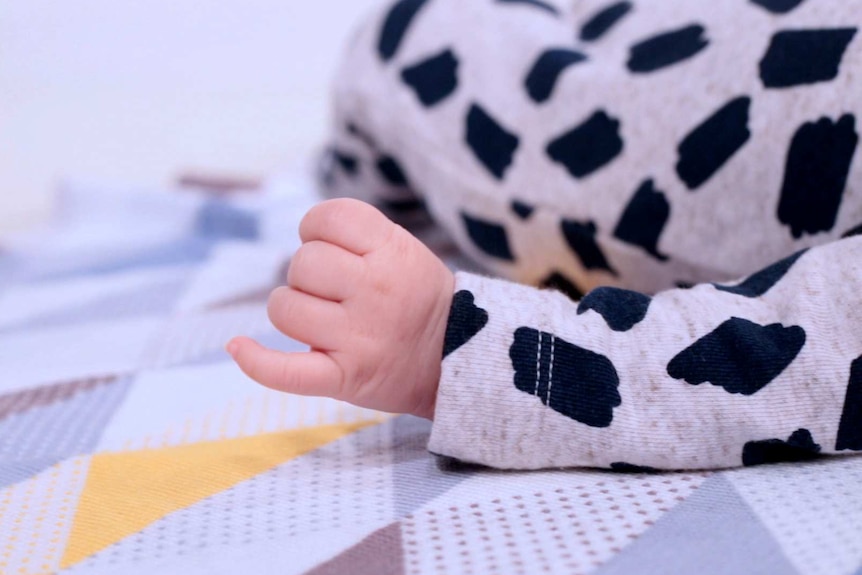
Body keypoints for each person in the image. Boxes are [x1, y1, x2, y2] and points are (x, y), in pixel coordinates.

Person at [227, 0, 862, 470]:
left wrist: (449, 343)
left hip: (693, 130)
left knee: (428, 42)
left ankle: (365, 186)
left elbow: (766, 363)